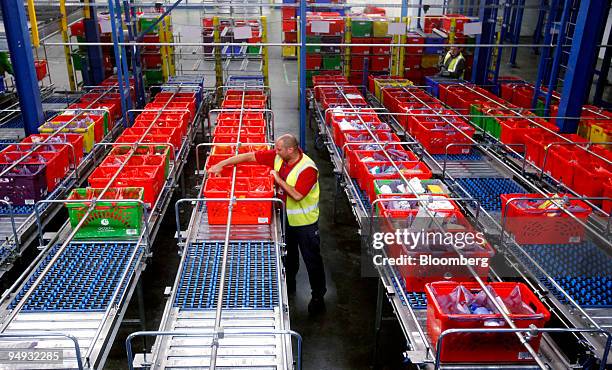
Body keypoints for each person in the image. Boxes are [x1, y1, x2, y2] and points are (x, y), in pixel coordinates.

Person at [208, 134, 327, 315]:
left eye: (279, 149)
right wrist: (222, 164)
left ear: (291, 150)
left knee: (312, 260)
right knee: (290, 254)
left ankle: (318, 297)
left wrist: (277, 179)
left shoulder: (308, 169)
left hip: (306, 223)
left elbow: (297, 195)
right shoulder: (279, 157)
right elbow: (250, 156)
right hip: (288, 217)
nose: (275, 152)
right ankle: (290, 284)